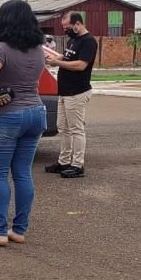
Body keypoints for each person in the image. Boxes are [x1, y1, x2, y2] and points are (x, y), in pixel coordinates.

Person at [0, 0, 47, 247]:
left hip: (7, 116)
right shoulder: (38, 48)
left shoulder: (0, 49)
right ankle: (19, 229)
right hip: (36, 112)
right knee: (23, 173)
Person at [43, 11, 98, 179]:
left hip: (77, 92)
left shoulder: (88, 42)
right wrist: (54, 57)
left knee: (76, 129)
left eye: (67, 27)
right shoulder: (73, 40)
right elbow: (66, 57)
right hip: (65, 92)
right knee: (63, 129)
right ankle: (64, 161)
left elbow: (81, 65)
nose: (65, 30)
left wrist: (57, 62)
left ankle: (77, 165)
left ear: (77, 24)